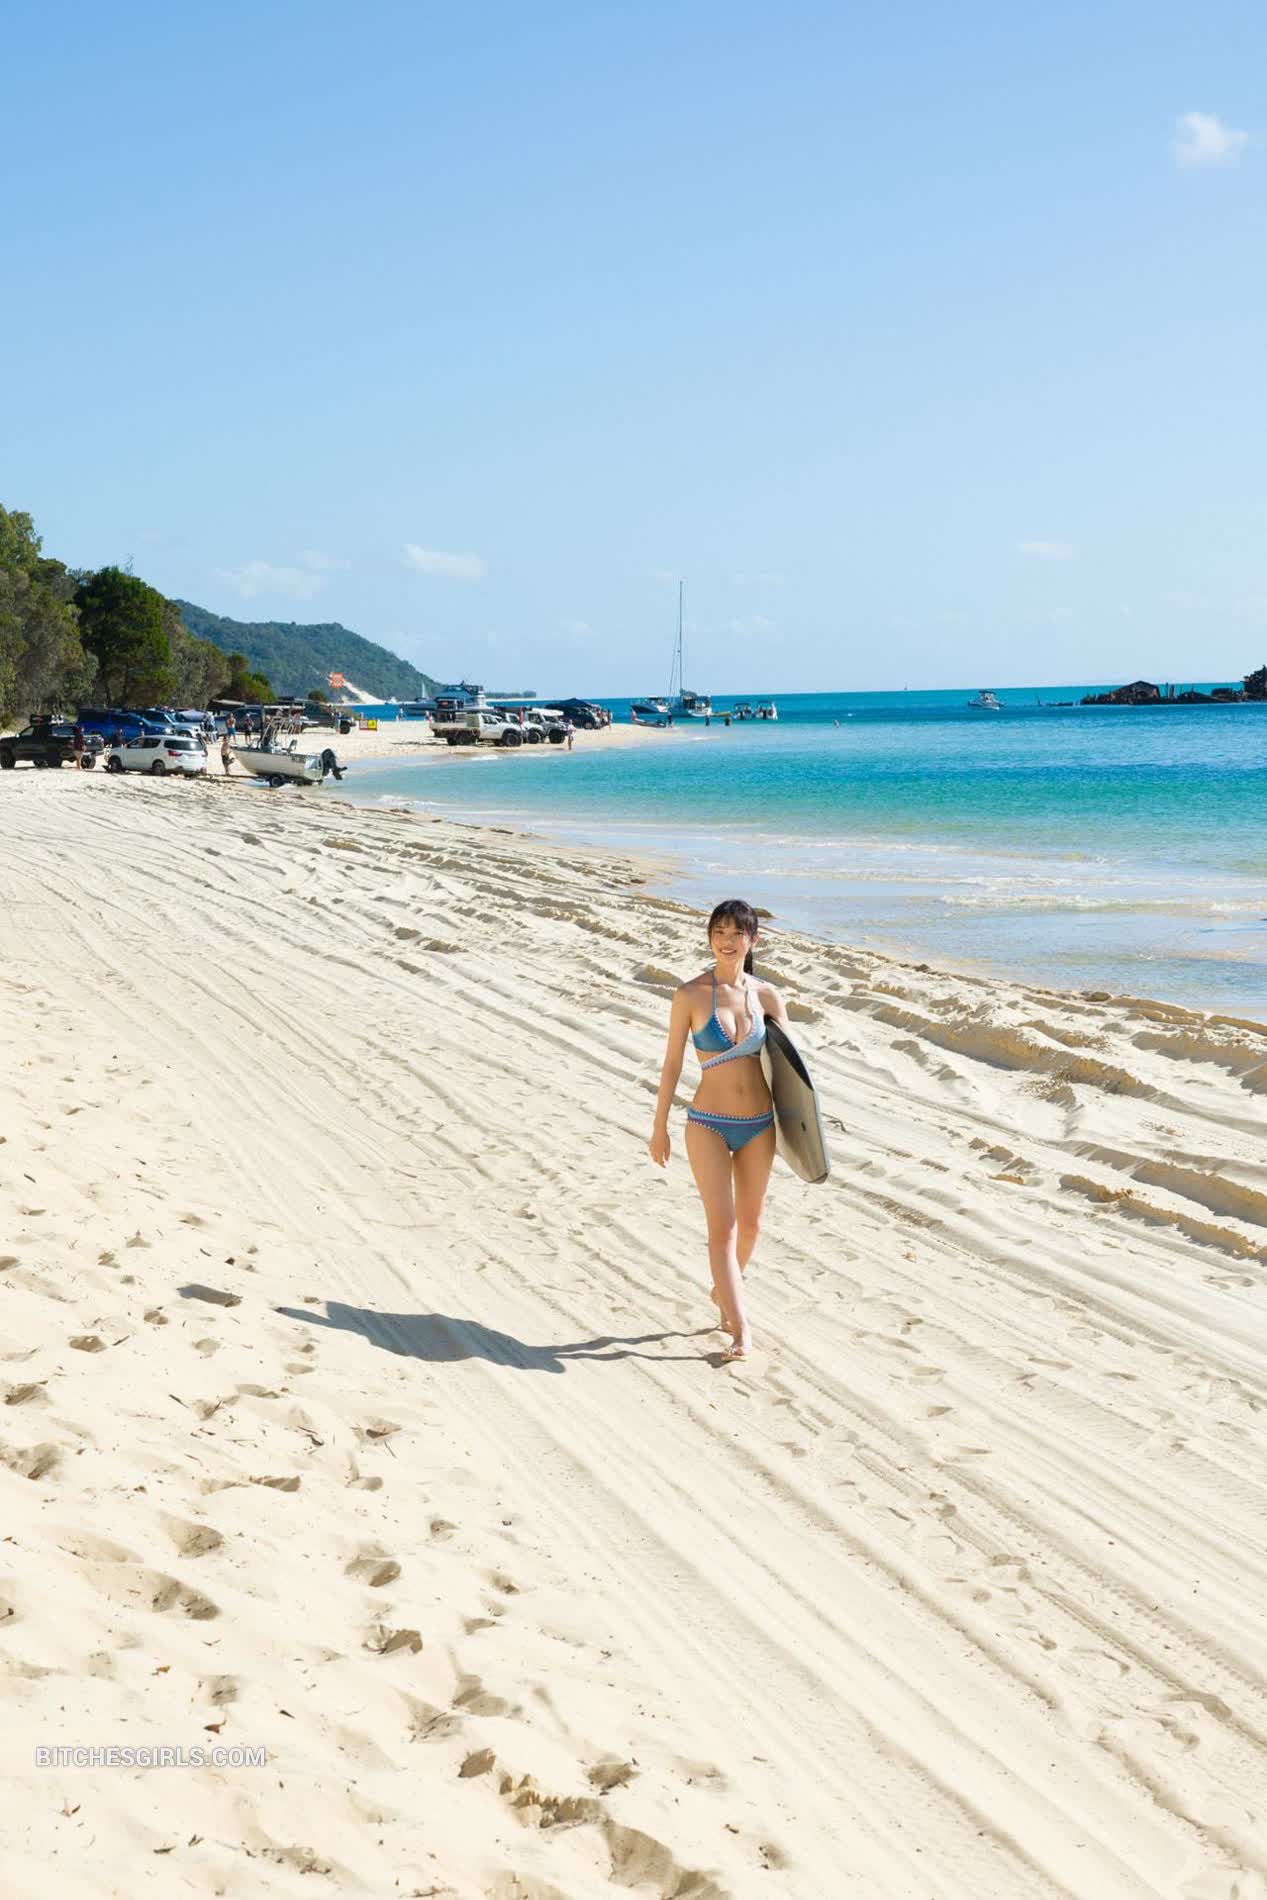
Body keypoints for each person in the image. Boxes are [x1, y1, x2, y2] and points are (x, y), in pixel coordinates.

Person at [648, 899, 788, 1361]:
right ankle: (740, 1327)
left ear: (753, 940)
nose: (727, 942)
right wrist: (660, 1126)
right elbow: (672, 1064)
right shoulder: (690, 995)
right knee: (723, 1228)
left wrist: (801, 1134)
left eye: (736, 934)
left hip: (760, 1126)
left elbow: (790, 1072)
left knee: (751, 1225)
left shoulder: (768, 997)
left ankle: (725, 1288)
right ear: (710, 938)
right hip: (708, 1123)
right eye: (719, 933)